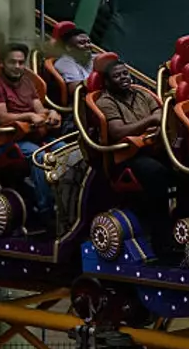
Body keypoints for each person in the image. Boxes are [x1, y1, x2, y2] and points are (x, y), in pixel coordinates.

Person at [96, 59, 175, 253]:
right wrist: (150, 121)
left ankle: (181, 227)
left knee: (182, 169)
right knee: (157, 174)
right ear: (107, 82)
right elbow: (117, 131)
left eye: (125, 73)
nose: (123, 78)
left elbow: (160, 116)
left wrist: (158, 127)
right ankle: (161, 242)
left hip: (153, 149)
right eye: (117, 76)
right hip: (126, 158)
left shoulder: (142, 93)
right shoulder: (104, 101)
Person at [0, 43, 60, 222]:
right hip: (8, 140)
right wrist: (29, 116)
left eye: (21, 62)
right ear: (3, 63)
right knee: (40, 157)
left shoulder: (27, 82)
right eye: (13, 62)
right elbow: (3, 118)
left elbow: (40, 109)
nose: (18, 67)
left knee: (64, 149)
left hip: (33, 135)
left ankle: (66, 203)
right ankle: (45, 210)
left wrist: (50, 112)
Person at [52, 25, 97, 97]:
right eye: (82, 43)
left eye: (89, 42)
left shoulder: (94, 57)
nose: (88, 45)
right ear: (69, 47)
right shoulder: (65, 63)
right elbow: (75, 90)